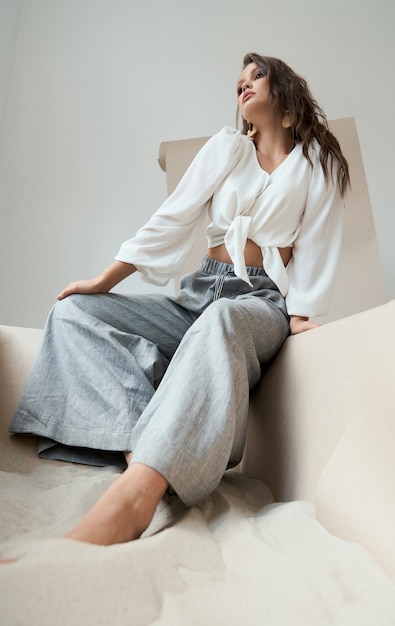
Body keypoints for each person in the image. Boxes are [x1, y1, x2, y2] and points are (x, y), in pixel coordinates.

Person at [9, 52, 350, 545]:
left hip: (257, 303)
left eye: (257, 76)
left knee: (224, 320)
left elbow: (319, 241)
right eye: (238, 83)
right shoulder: (226, 148)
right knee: (72, 312)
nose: (244, 86)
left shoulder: (314, 162)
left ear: (286, 89)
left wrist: (300, 314)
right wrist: (104, 281)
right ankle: (144, 446)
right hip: (198, 293)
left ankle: (135, 497)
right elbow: (174, 215)